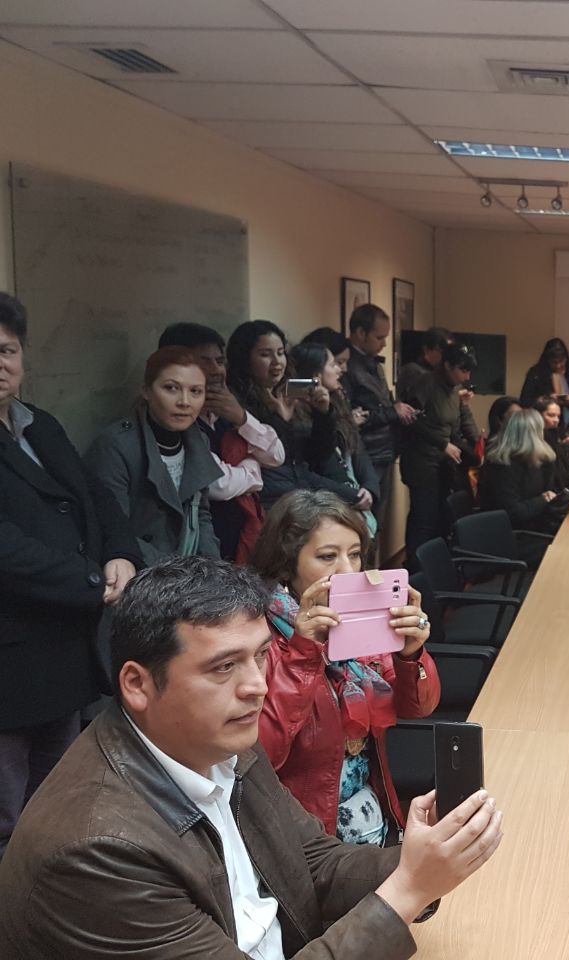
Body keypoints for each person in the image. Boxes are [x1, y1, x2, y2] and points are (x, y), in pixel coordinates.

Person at [0, 556, 503, 958]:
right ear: (137, 684)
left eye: (261, 655)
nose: (257, 686)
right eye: (223, 667)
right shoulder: (97, 850)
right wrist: (409, 888)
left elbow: (312, 860)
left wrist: (422, 858)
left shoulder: (218, 740)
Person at [0, 292, 140, 860]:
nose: (0, 363)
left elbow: (95, 498)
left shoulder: (40, 424)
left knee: (56, 803)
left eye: (7, 350)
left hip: (63, 650)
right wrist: (90, 582)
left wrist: (122, 553)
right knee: (8, 815)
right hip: (11, 659)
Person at [252, 491, 439, 842]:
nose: (348, 570)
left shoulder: (358, 621)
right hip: (303, 834)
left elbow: (417, 708)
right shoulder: (258, 636)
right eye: (327, 557)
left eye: (354, 554)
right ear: (287, 563)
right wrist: (303, 653)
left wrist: (411, 655)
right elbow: (262, 754)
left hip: (370, 810)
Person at [159, 322, 286, 563]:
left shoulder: (228, 409)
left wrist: (242, 418)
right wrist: (253, 469)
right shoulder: (176, 420)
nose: (216, 370)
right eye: (205, 361)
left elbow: (277, 455)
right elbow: (217, 484)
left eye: (220, 361)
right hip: (204, 547)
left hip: (245, 533)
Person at [87, 346, 222, 563]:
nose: (185, 401)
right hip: (138, 568)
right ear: (147, 391)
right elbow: (113, 527)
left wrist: (214, 568)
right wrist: (173, 573)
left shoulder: (199, 440)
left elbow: (201, 515)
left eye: (196, 391)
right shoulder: (116, 445)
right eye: (171, 388)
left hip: (188, 570)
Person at [227, 319, 362, 511]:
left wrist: (322, 414)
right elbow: (276, 461)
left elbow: (317, 456)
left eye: (280, 353)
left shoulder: (289, 391)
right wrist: (281, 419)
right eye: (265, 354)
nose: (276, 362)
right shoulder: (237, 402)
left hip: (300, 485)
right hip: (268, 497)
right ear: (245, 358)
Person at [344, 305, 419, 558]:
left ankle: (375, 573)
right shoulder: (348, 367)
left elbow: (382, 402)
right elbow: (353, 416)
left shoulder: (374, 364)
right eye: (379, 337)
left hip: (384, 451)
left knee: (377, 525)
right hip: (366, 454)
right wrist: (392, 412)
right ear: (360, 333)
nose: (384, 344)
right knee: (365, 526)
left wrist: (397, 409)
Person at [289, 341, 380, 532]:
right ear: (316, 374)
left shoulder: (337, 401)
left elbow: (357, 448)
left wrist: (370, 487)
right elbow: (316, 460)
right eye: (333, 365)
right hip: (326, 503)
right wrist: (351, 494)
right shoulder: (294, 411)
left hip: (352, 489)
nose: (340, 370)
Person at [401, 344, 477, 571]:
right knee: (424, 519)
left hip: (443, 463)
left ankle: (435, 571)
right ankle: (416, 571)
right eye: (462, 370)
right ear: (447, 365)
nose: (466, 377)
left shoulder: (454, 391)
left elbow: (456, 425)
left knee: (440, 519)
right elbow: (412, 421)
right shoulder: (425, 384)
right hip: (421, 461)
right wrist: (443, 444)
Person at [477, 409, 568, 565]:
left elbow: (551, 490)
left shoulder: (534, 461)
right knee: (567, 549)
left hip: (531, 528)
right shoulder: (503, 466)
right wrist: (543, 499)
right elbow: (514, 512)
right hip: (509, 537)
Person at [519, 337, 569, 421]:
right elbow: (525, 401)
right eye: (554, 362)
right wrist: (546, 399)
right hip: (540, 421)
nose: (558, 365)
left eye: (561, 361)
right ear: (547, 361)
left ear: (566, 359)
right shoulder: (536, 375)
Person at [396, 325, 453, 406]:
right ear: (426, 350)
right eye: (442, 351)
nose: (446, 356)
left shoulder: (441, 372)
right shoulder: (413, 371)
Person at [534, 394, 569, 489]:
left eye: (558, 416)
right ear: (538, 415)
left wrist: (567, 451)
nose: (556, 420)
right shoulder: (535, 438)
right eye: (551, 415)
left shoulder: (556, 434)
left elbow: (563, 472)